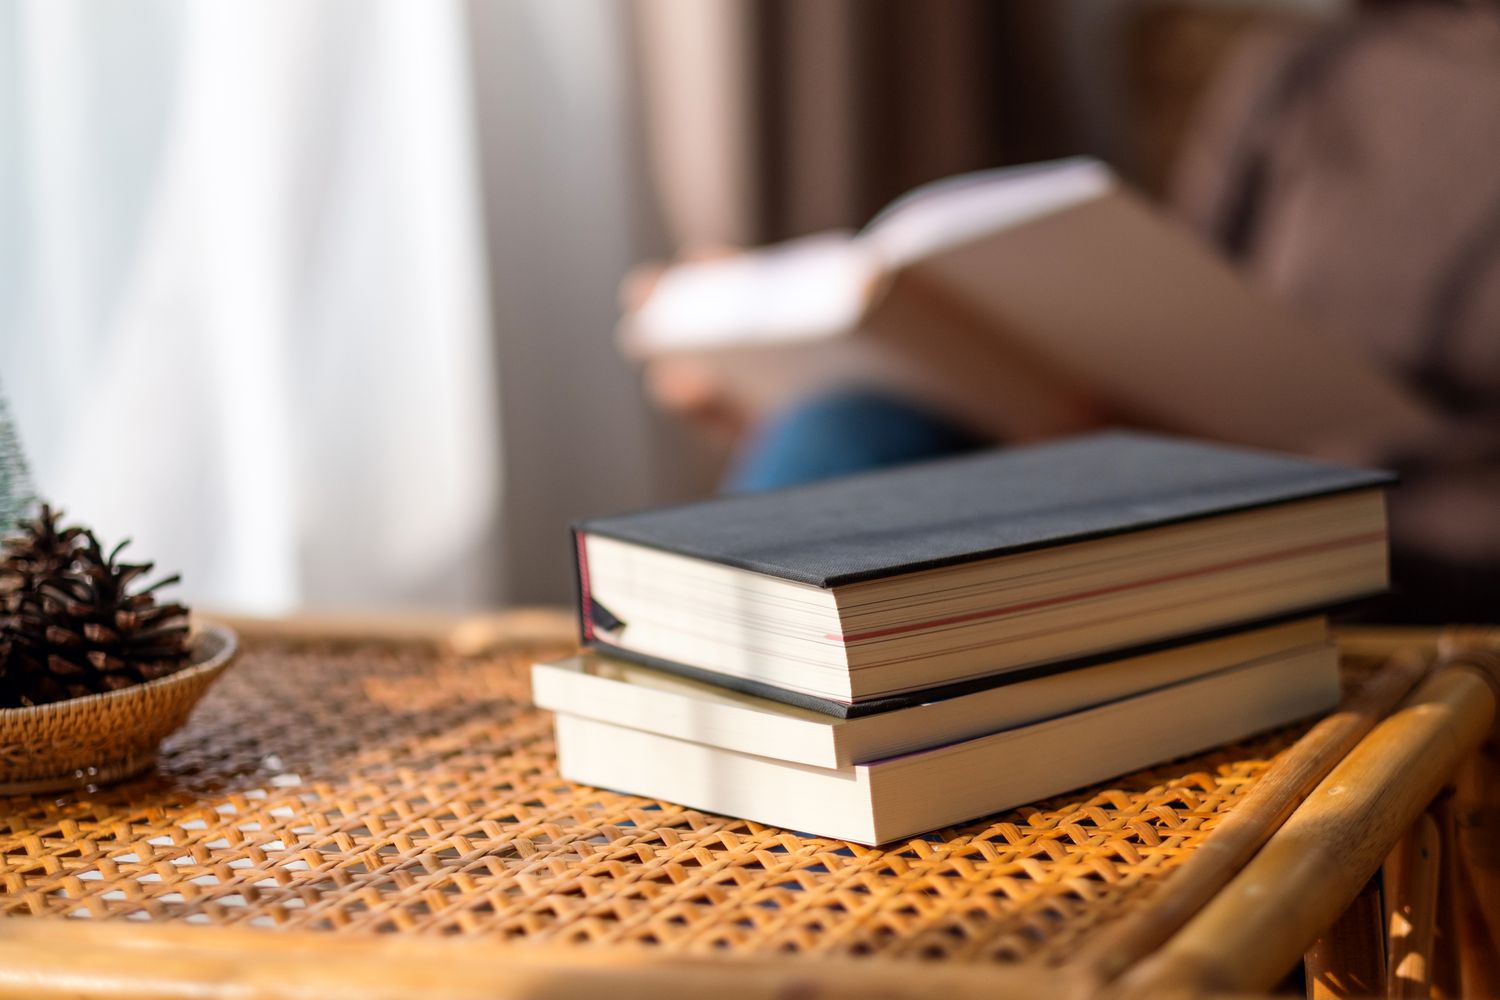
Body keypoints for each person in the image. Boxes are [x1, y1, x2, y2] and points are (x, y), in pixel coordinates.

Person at [625, 3, 1500, 623]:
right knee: (851, 421)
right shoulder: (1305, 71)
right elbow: (1180, 317)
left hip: (1412, 542)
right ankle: (719, 816)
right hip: (1206, 485)